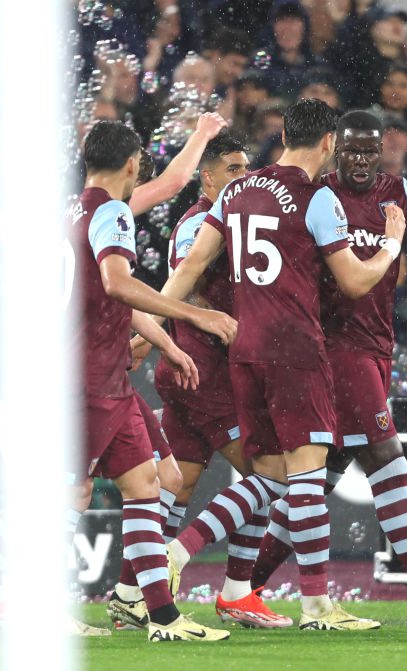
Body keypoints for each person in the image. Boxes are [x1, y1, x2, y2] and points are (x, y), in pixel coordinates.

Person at [157, 99, 405, 630]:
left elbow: (192, 266)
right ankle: (317, 605)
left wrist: (150, 318)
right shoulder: (318, 200)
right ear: (328, 144)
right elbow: (356, 282)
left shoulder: (235, 192)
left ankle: (175, 556)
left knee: (268, 476)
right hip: (295, 349)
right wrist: (391, 245)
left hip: (244, 352)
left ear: (284, 134)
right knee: (307, 478)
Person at [248, 110, 407, 628]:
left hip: (376, 350)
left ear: (382, 151)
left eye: (369, 151)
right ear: (336, 148)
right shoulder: (318, 196)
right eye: (352, 150)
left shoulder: (401, 193)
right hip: (336, 351)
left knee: (319, 480)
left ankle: (243, 588)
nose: (360, 160)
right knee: (389, 463)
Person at [111, 132, 292, 630]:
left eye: (247, 166)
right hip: (205, 372)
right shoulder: (198, 225)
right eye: (233, 169)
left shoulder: (233, 220)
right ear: (207, 179)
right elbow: (187, 283)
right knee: (273, 472)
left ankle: (131, 592)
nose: (246, 176)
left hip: (189, 371)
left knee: (177, 485)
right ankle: (198, 568)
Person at [68, 119, 239, 642]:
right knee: (68, 496)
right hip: (88, 376)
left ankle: (155, 614)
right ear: (131, 164)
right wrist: (193, 316)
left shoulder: (75, 209)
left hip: (105, 375)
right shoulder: (111, 212)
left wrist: (164, 342)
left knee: (154, 482)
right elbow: (119, 284)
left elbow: (112, 293)